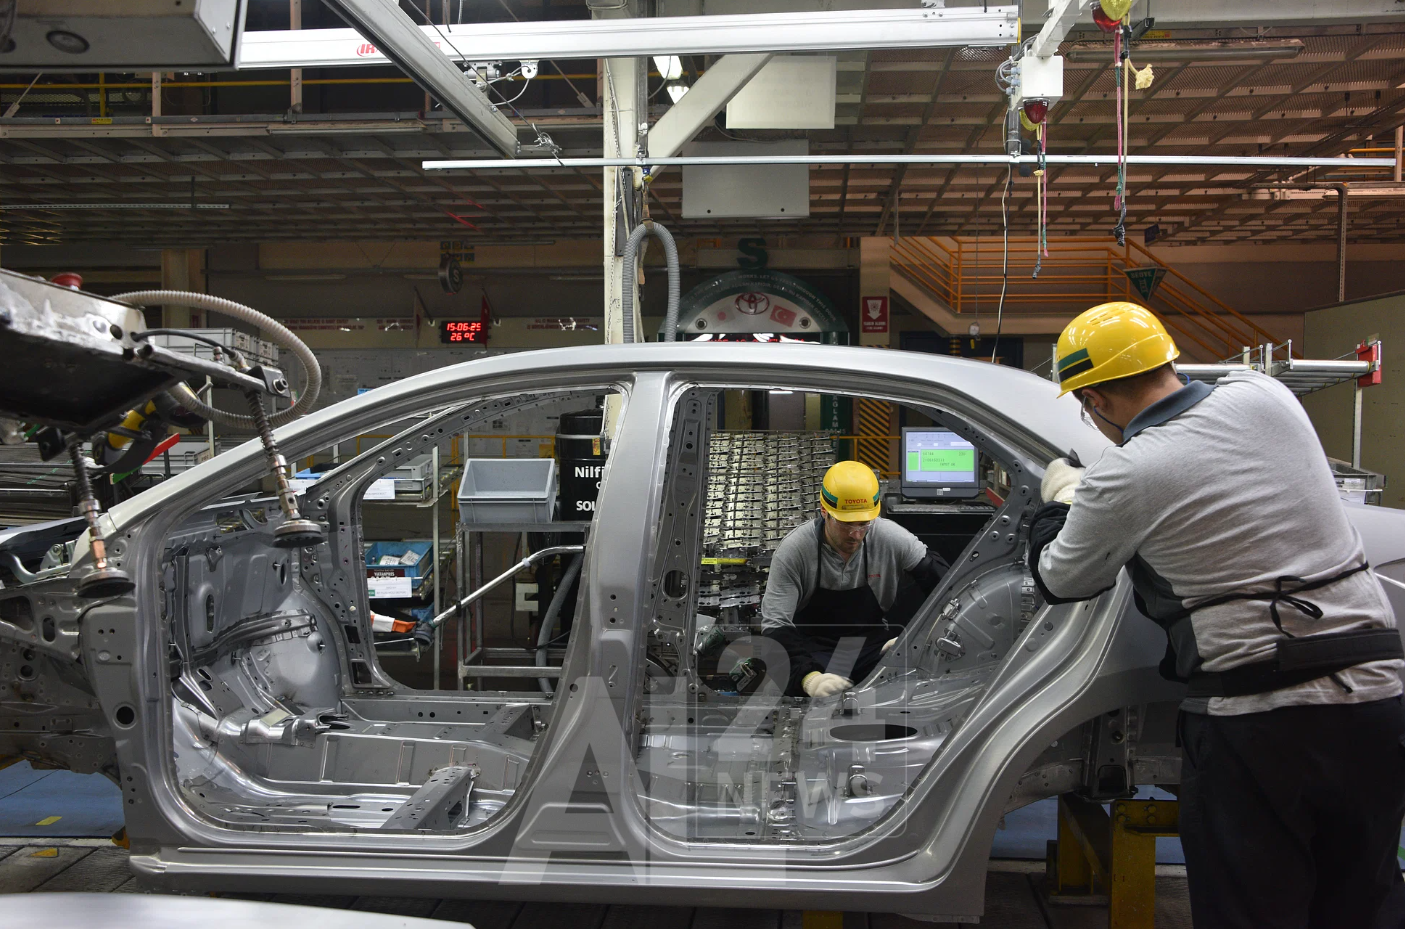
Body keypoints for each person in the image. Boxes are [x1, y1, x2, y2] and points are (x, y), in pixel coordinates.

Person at [1029, 301, 1405, 928]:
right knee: (1363, 904)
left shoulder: (1127, 472)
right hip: (1375, 699)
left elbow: (1060, 580)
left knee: (1251, 910)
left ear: (1094, 399)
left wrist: (1065, 499)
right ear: (1168, 360)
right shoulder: (1267, 396)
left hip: (1260, 724)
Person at [762, 460, 950, 698]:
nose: (856, 535)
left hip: (872, 648)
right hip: (811, 651)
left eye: (863, 524)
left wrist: (916, 637)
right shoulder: (795, 550)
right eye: (846, 524)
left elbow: (948, 589)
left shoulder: (891, 538)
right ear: (824, 511)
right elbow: (775, 626)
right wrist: (808, 678)